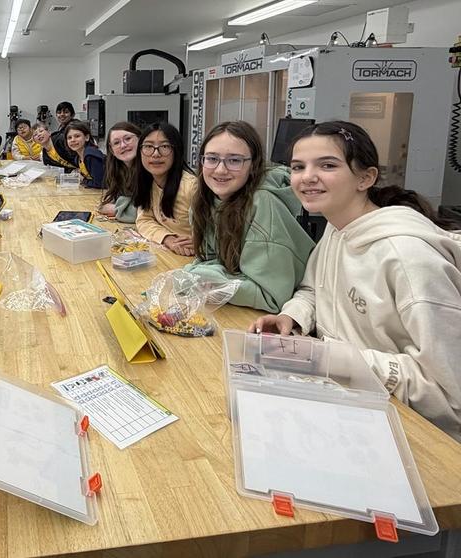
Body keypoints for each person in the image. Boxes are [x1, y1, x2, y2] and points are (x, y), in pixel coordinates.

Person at [250, 120, 461, 442]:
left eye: (327, 165)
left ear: (366, 177)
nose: (307, 177)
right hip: (351, 403)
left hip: (414, 435)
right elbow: (313, 289)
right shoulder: (338, 228)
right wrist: (291, 316)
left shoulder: (408, 258)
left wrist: (333, 357)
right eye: (298, 166)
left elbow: (450, 395)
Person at [184, 121, 314, 312]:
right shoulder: (205, 201)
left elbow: (269, 296)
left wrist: (196, 277)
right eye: (212, 159)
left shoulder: (264, 203)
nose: (220, 169)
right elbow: (211, 261)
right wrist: (197, 275)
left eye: (234, 160)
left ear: (253, 164)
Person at [132, 122, 197, 255]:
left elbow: (217, 234)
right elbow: (144, 220)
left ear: (177, 151)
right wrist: (168, 238)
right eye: (148, 146)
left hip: (197, 258)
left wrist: (201, 242)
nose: (156, 154)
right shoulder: (148, 181)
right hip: (171, 255)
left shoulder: (192, 187)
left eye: (165, 146)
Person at [99, 122, 141, 222]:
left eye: (128, 139)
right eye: (116, 143)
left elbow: (152, 212)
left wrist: (117, 209)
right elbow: (108, 200)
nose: (123, 145)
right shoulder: (119, 171)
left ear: (140, 139)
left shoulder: (152, 168)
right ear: (112, 150)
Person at [63, 121, 105, 188]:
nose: (73, 140)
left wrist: (82, 179)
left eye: (77, 136)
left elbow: (99, 183)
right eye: (69, 138)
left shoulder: (90, 155)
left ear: (87, 137)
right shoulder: (77, 158)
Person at [40, 101, 78, 170]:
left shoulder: (75, 127)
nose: (62, 114)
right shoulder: (62, 127)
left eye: (66, 112)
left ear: (72, 114)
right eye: (59, 112)